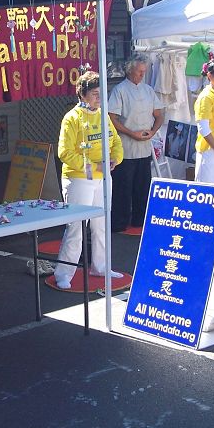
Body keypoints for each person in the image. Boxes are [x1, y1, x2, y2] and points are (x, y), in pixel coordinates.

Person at [54, 71, 123, 289]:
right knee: (76, 227)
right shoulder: (72, 118)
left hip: (103, 178)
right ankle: (63, 273)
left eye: (101, 94)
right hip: (79, 179)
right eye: (94, 94)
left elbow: (116, 142)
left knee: (101, 224)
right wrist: (93, 167)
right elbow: (64, 153)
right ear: (82, 95)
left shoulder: (103, 115)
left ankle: (100, 266)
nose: (98, 98)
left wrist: (115, 159)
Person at [108, 54, 164, 232]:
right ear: (130, 70)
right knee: (122, 187)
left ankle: (140, 219)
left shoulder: (148, 90)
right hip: (125, 146)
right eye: (139, 72)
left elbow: (159, 114)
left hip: (144, 146)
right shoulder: (119, 90)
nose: (142, 75)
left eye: (144, 72)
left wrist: (153, 131)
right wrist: (132, 133)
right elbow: (112, 118)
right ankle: (119, 222)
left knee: (143, 186)